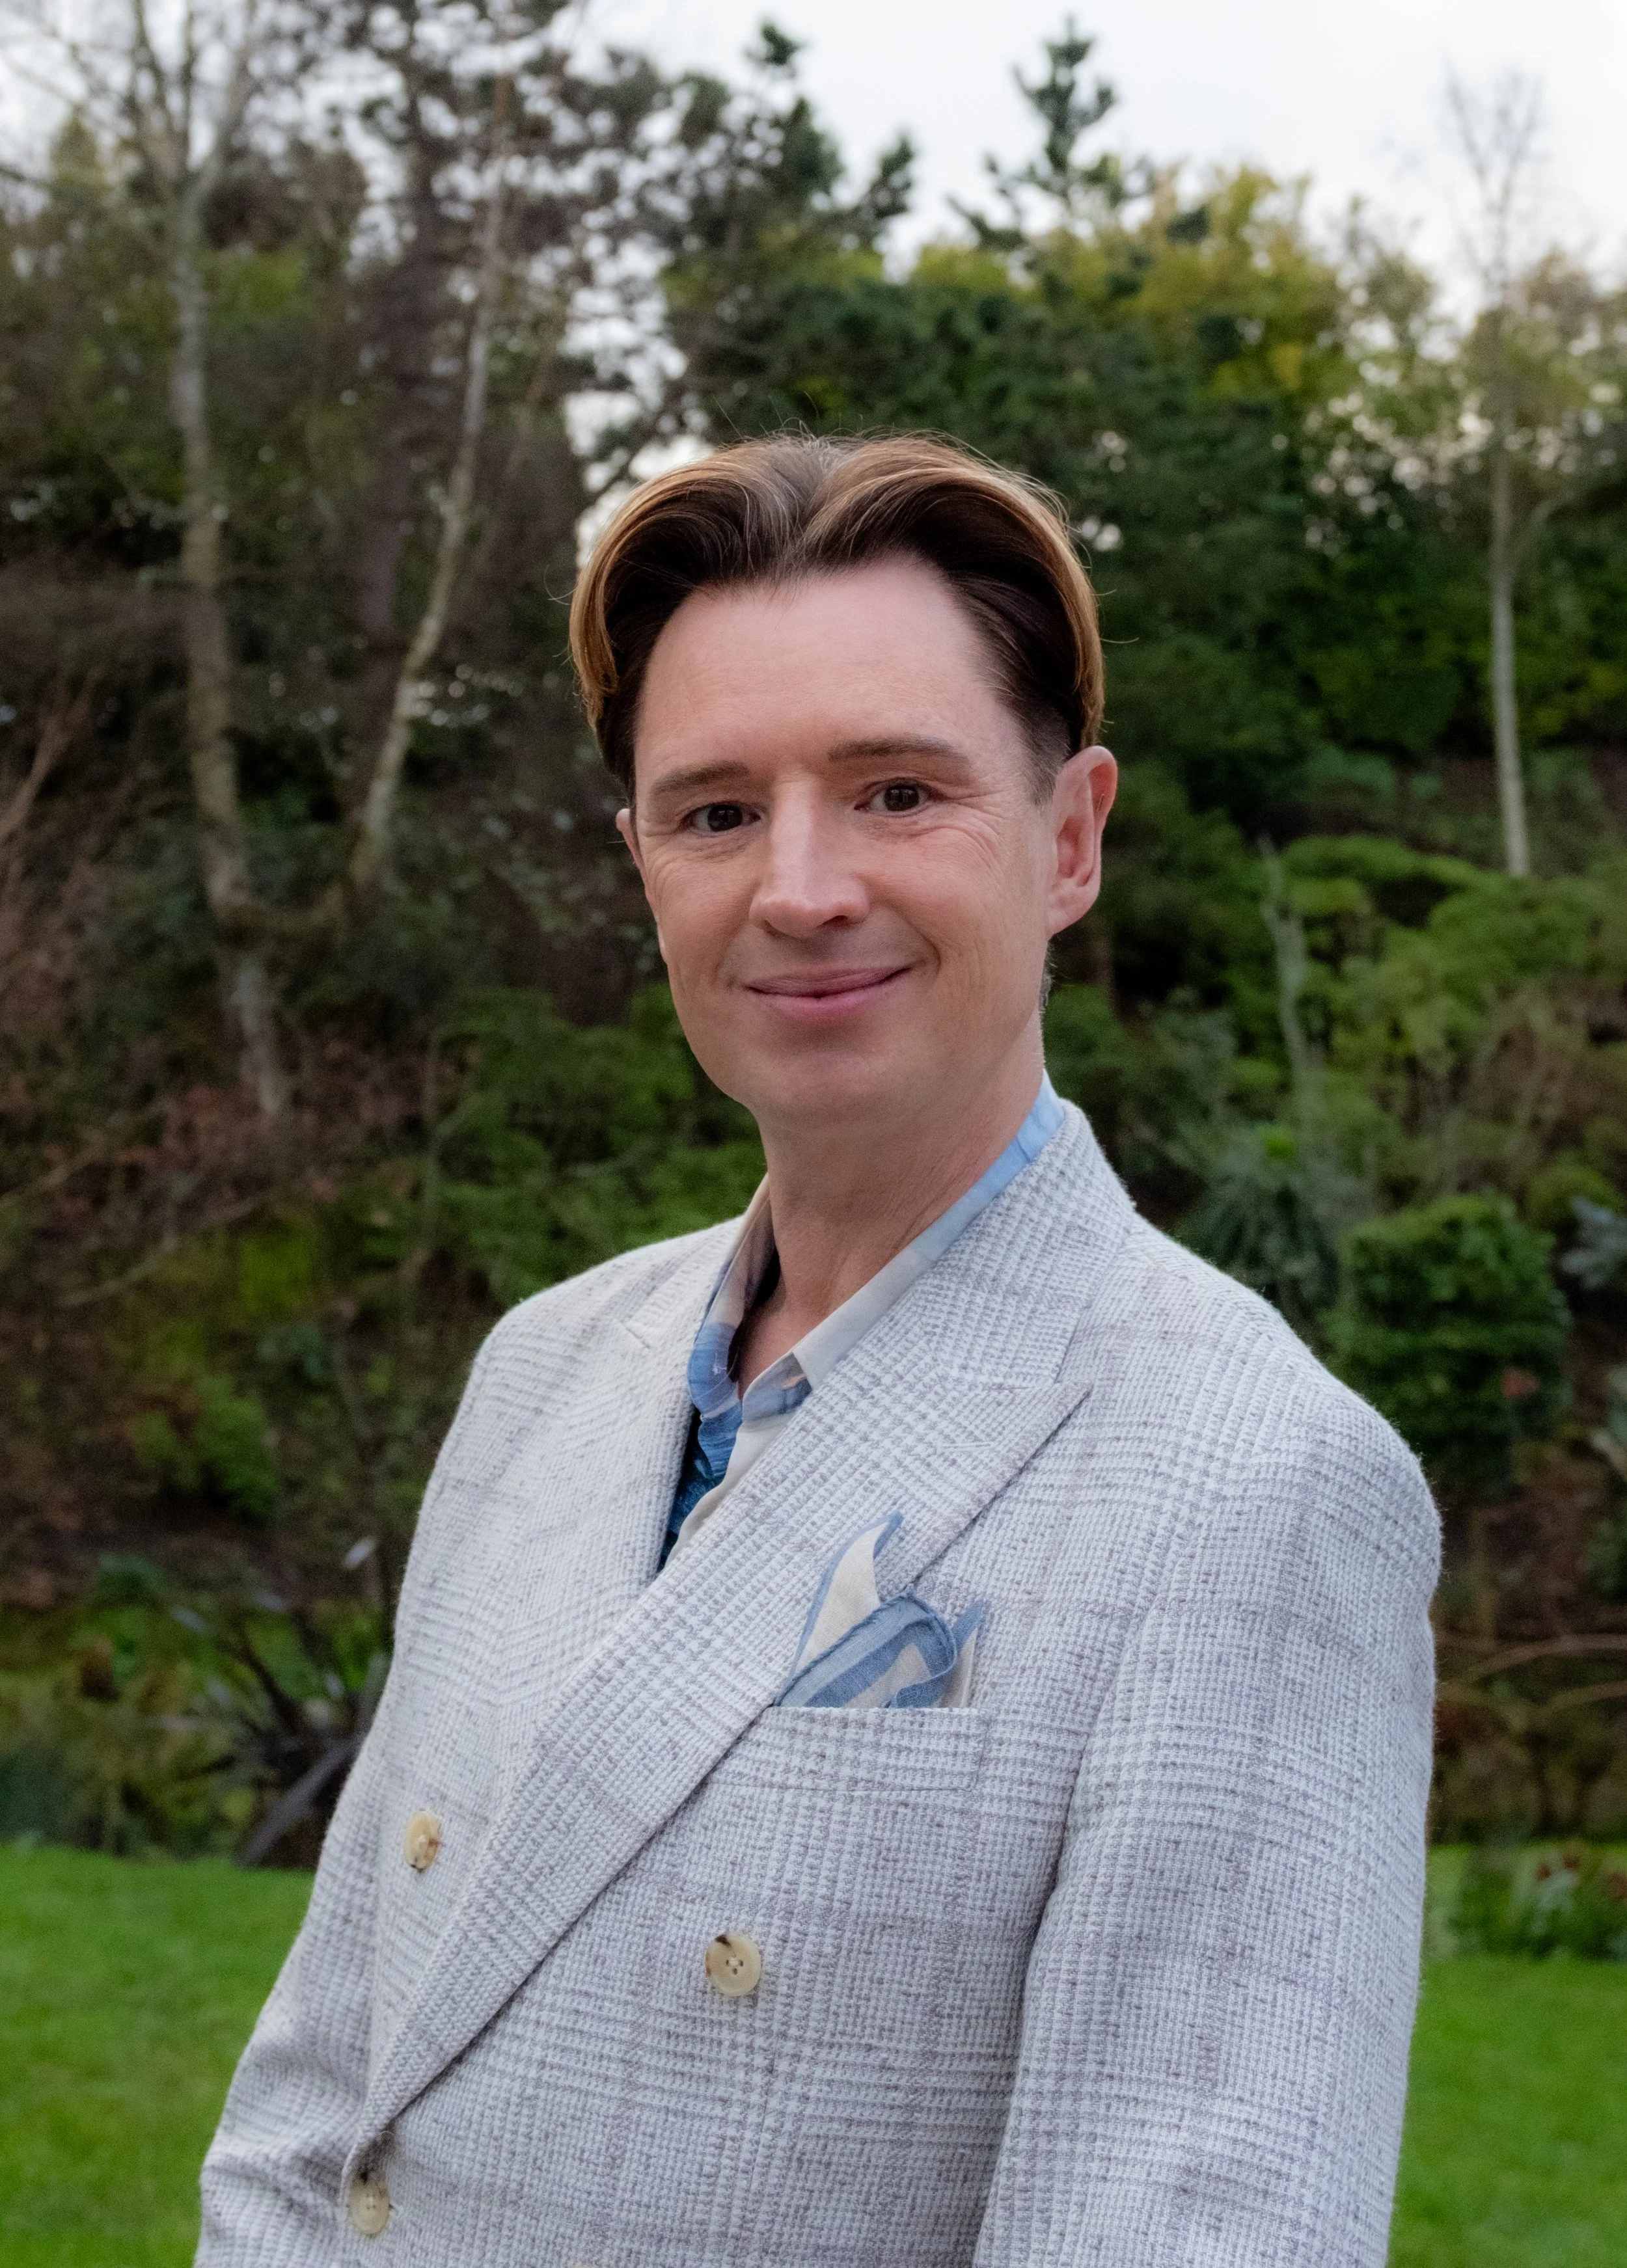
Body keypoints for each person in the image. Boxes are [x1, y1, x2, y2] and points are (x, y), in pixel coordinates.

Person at [198, 434, 1438, 2267]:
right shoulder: (542, 1367)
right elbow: (318, 2101)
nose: (797, 886)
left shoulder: (1249, 1487)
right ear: (642, 868)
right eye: (713, 811)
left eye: (893, 791)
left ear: (1069, 835)